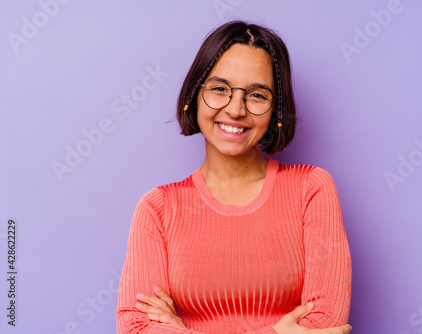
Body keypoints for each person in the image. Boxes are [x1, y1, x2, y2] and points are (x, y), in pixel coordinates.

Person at [116, 20, 352, 334]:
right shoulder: (158, 209)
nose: (236, 109)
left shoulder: (311, 189)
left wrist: (184, 330)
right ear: (194, 95)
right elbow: (136, 327)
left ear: (276, 110)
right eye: (219, 89)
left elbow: (326, 322)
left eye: (256, 95)